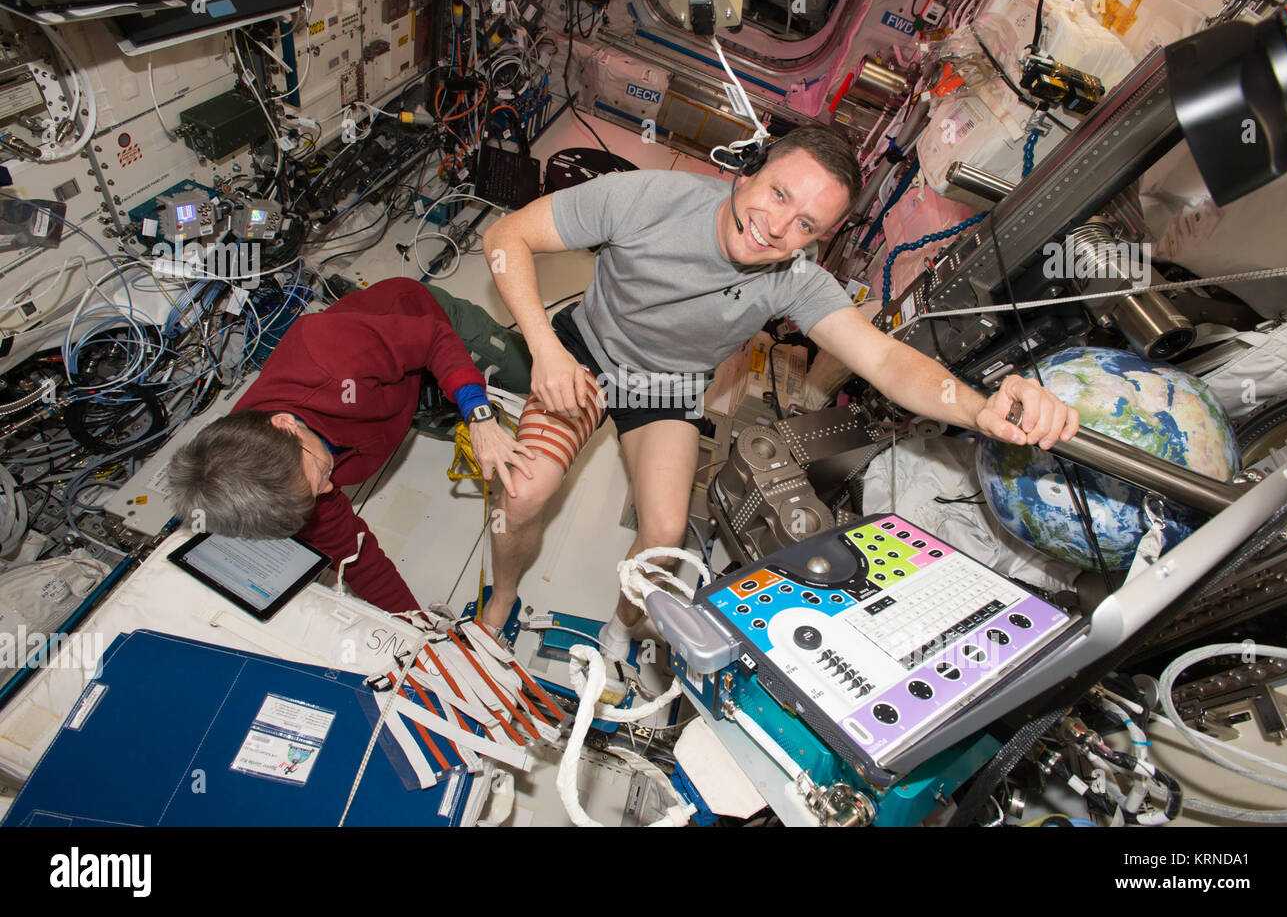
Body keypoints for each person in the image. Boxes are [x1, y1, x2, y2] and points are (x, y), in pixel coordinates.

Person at [479, 125, 1079, 650]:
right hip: (584, 353)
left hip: (666, 387)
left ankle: (620, 629)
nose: (775, 228)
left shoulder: (796, 280)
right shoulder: (647, 197)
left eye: (804, 225)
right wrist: (546, 349)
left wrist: (981, 410)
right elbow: (506, 236)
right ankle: (502, 595)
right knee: (526, 494)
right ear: (748, 171)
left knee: (663, 532)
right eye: (778, 194)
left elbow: (887, 362)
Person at [168, 277, 534, 613]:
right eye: (315, 493)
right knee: (465, 420)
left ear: (287, 427)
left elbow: (434, 338)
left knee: (533, 372)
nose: (330, 489)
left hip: (423, 323)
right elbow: (356, 559)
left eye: (319, 476)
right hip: (392, 399)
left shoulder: (327, 356)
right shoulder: (286, 484)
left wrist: (478, 412)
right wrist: (412, 625)